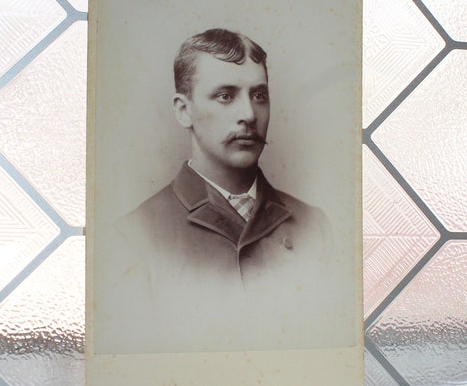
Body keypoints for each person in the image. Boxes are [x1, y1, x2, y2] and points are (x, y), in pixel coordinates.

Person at [99, 28, 348, 354]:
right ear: (183, 110)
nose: (248, 115)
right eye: (225, 96)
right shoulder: (133, 237)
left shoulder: (314, 227)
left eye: (259, 96)